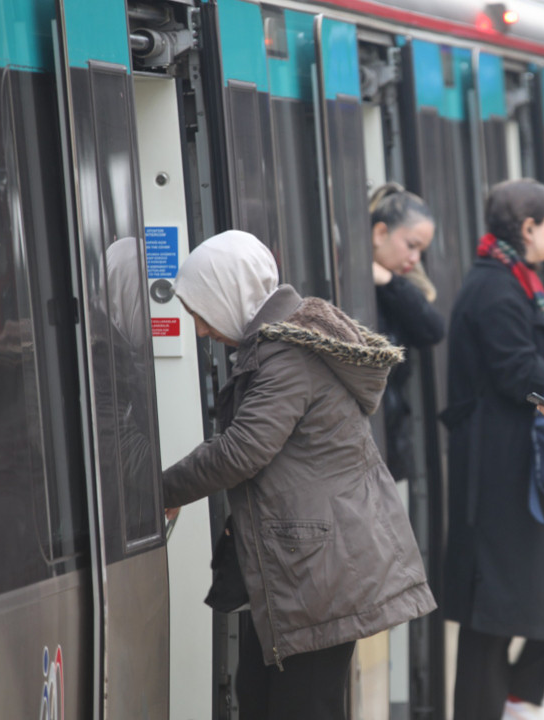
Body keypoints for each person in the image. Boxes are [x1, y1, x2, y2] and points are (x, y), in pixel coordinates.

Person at [161, 230, 436, 719]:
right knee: (266, 698)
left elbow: (243, 450)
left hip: (316, 570)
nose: (200, 329)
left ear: (230, 294)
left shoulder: (286, 355)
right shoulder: (278, 347)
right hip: (306, 566)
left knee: (300, 706)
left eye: (201, 311)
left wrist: (160, 490)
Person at [442, 179, 544, 720]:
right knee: (492, 610)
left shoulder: (516, 279)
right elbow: (517, 375)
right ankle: (494, 708)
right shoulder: (495, 288)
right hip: (500, 471)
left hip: (528, 467)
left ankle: (518, 695)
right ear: (528, 227)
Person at [368, 183, 444, 483]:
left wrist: (388, 280)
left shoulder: (396, 283)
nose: (415, 259)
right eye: (411, 245)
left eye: (421, 251)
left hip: (389, 434)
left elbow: (432, 329)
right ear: (379, 234)